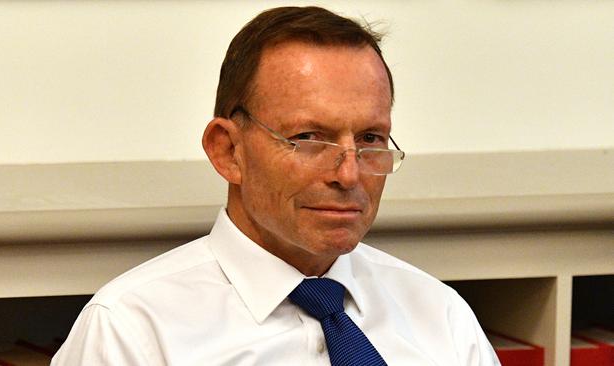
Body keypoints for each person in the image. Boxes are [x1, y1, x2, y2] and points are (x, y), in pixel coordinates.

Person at [52, 6, 500, 366]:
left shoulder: (440, 316)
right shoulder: (133, 331)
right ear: (228, 151)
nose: (348, 175)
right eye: (308, 138)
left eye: (370, 139)